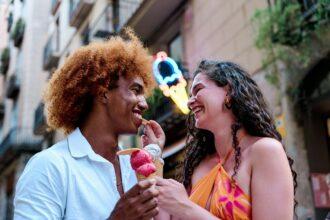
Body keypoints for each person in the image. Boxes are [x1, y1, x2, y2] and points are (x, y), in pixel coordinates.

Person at [13, 29, 165, 219]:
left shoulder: (132, 166)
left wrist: (154, 157)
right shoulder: (49, 166)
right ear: (102, 92)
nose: (144, 103)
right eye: (135, 90)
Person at [155, 60, 296, 220]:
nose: (189, 102)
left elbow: (184, 209)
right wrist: (152, 153)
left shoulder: (265, 151)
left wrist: (185, 207)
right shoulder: (198, 165)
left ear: (228, 92)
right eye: (190, 95)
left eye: (198, 89)